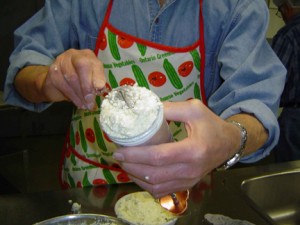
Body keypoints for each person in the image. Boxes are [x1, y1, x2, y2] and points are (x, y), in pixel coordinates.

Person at [4, 0, 286, 198]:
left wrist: (229, 139)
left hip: (183, 192)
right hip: (88, 188)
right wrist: (47, 80)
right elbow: (24, 66)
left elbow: (258, 108)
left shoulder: (237, 6)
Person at [272, 0, 300, 162]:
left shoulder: (287, 35)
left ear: (287, 8)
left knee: (291, 177)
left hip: (296, 120)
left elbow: (273, 84)